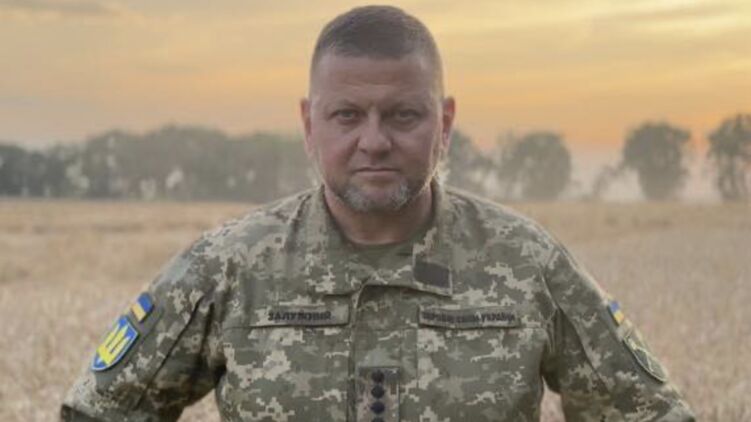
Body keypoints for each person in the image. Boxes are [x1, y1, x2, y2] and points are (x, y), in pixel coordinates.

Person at [62, 5, 695, 421]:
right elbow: (99, 411)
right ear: (309, 123)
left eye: (403, 115)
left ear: (444, 121)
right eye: (347, 116)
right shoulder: (230, 265)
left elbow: (651, 412)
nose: (374, 141)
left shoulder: (525, 263)